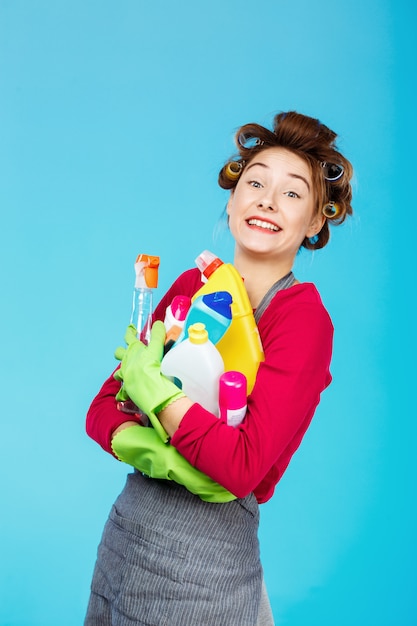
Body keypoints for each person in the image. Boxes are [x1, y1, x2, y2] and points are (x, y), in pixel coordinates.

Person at [84, 110, 353, 625]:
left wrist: (155, 398)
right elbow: (100, 410)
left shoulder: (301, 319)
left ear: (316, 221)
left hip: (202, 573)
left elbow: (241, 467)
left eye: (293, 194)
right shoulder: (192, 286)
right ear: (232, 201)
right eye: (255, 183)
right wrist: (165, 449)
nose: (268, 201)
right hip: (124, 541)